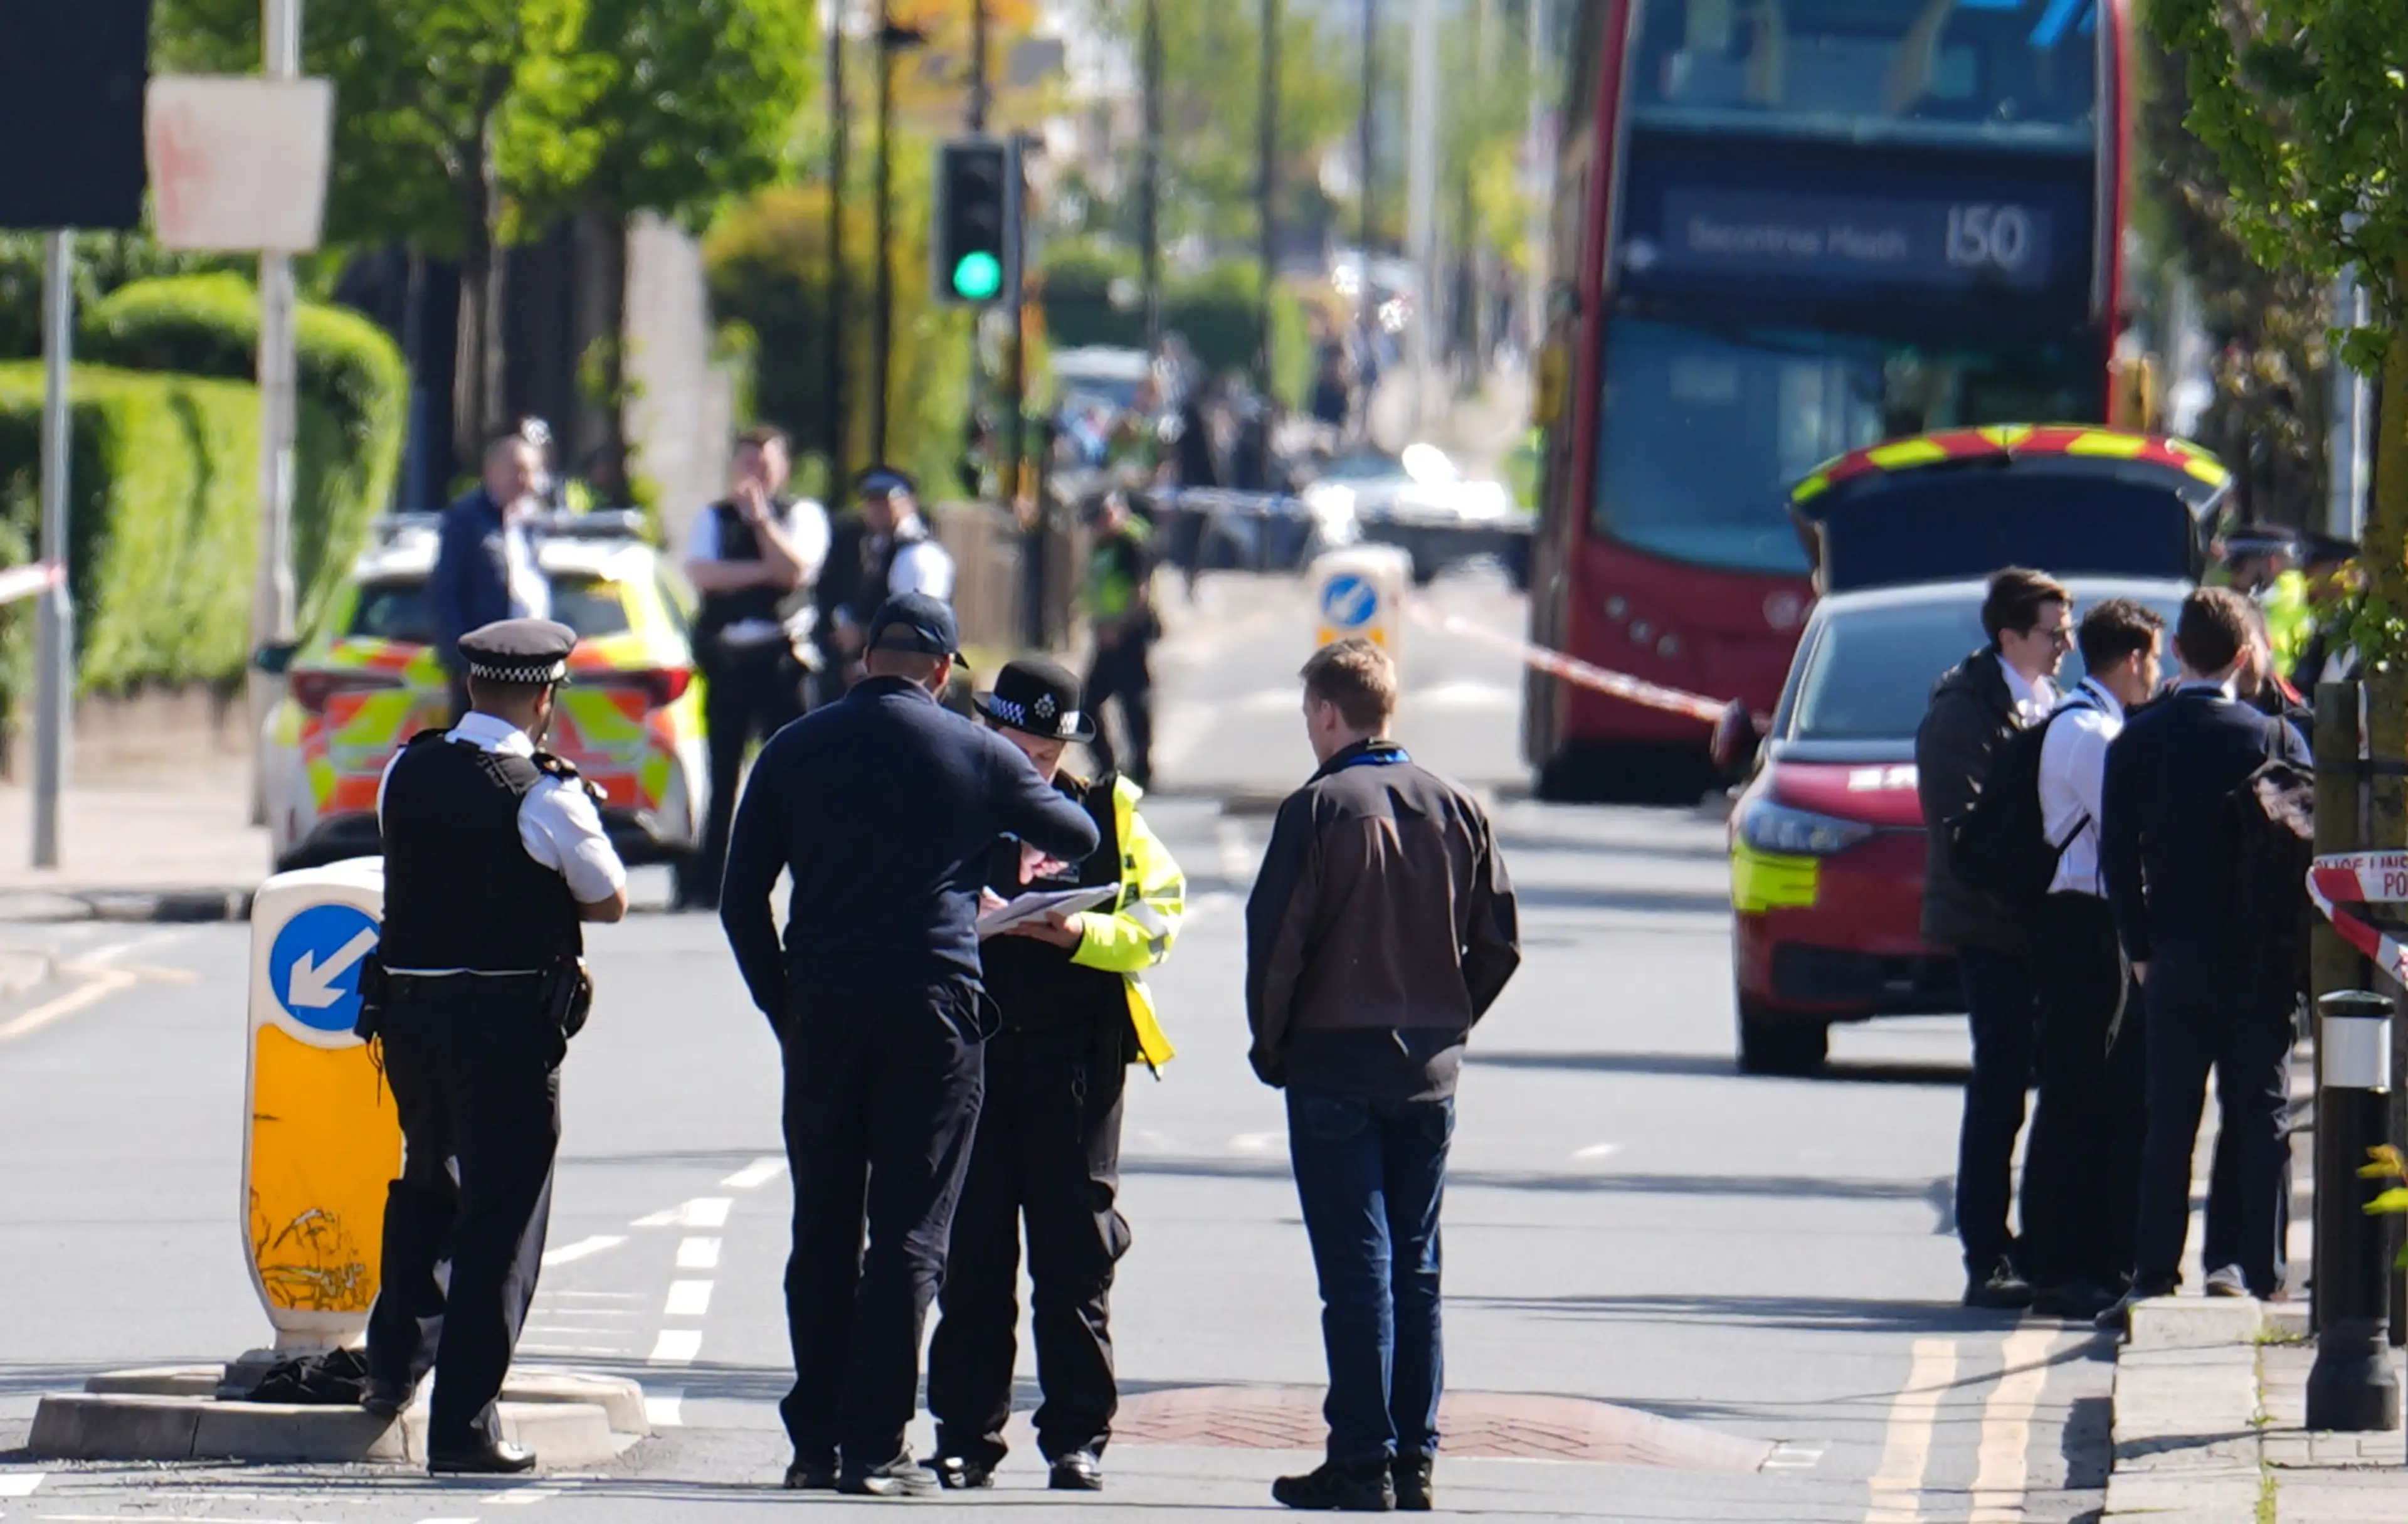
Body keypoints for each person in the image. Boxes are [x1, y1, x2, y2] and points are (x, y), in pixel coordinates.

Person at [717, 593, 1101, 1498]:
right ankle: (875, 1443)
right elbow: (1079, 833)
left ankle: (814, 1436)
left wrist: (785, 1006)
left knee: (822, 1223)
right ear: (940, 672)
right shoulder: (975, 752)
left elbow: (741, 901)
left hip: (822, 1006)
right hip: (932, 1007)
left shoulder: (793, 747)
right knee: (910, 1232)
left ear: (863, 660)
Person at [1245, 638, 1521, 1513]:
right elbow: (1501, 942)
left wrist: (1274, 1044)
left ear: (1329, 714)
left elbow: (1275, 947)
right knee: (1418, 1262)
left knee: (1357, 1267)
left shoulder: (1319, 808)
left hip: (1334, 1061)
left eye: (1308, 717)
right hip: (1427, 1072)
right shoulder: (1458, 806)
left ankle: (1361, 1455)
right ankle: (1414, 1456)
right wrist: (1448, 1016)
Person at [359, 618, 630, 1474]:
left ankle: (391, 1369)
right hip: (503, 1029)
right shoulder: (542, 791)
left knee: (428, 1178)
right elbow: (610, 895)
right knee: (501, 1217)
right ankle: (465, 1424)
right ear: (547, 696)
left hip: (408, 1020)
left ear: (473, 683)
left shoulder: (408, 766)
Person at [924, 658, 1186, 1494]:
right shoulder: (952, 806)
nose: (1030, 767)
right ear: (987, 731)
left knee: (1076, 1258)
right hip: (976, 1056)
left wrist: (1077, 935)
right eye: (1017, 748)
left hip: (1080, 1062)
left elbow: (1156, 921)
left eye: (1046, 753)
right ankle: (966, 1434)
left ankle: (1078, 1436)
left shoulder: (1108, 810)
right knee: (973, 1255)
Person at [2097, 588, 2311, 1329]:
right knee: (2260, 1118)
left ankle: (2154, 1271)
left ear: (2179, 652)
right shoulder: (2274, 741)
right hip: (2262, 961)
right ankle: (2252, 1268)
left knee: (2170, 1122)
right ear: (2245, 656)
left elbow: (2117, 857)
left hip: (2176, 958)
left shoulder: (2136, 742)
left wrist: (2141, 949)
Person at [1914, 567, 2072, 1310]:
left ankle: (2040, 1242)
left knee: (2054, 1083)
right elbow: (1964, 838)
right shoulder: (1964, 712)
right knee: (2001, 1083)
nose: (2065, 643)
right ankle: (1986, 1249)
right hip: (1992, 923)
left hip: (2041, 922)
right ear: (2010, 636)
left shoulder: (2047, 699)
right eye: (2052, 631)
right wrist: (2034, 887)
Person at [2021, 598, 2164, 1320]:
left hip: (2090, 920)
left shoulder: (2096, 724)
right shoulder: (2091, 732)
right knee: (2078, 1094)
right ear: (2133, 658)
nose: (2158, 674)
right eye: (2155, 659)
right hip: (2078, 922)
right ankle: (2060, 1262)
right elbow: (2129, 831)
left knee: (2091, 1091)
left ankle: (2072, 1254)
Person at [682, 426, 830, 910]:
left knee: (793, 774)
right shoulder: (713, 518)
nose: (756, 474)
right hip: (728, 662)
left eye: (765, 465)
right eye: (748, 464)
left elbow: (796, 571)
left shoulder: (801, 515)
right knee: (721, 773)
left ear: (783, 468)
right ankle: (709, 881)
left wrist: (763, 522)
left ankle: (810, 878)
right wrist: (764, 571)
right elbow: (702, 574)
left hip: (782, 661)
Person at [431, 434, 552, 721]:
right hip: (484, 671)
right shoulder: (467, 521)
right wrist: (464, 663)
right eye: (519, 470)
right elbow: (444, 593)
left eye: (532, 472)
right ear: (492, 471)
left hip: (527, 667)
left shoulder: (529, 523)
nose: (526, 480)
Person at [829, 468, 957, 689]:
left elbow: (918, 625)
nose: (877, 509)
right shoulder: (872, 546)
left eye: (886, 501)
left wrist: (862, 636)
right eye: (871, 501)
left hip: (907, 680)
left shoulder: (918, 556)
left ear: (909, 503)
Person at [1079, 494, 1159, 788]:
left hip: (1128, 634)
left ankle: (1140, 769)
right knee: (1088, 704)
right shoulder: (1104, 544)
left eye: (1102, 518)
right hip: (1106, 633)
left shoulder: (1131, 542)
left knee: (1133, 702)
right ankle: (1107, 766)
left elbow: (1140, 591)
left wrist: (1119, 626)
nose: (1097, 526)